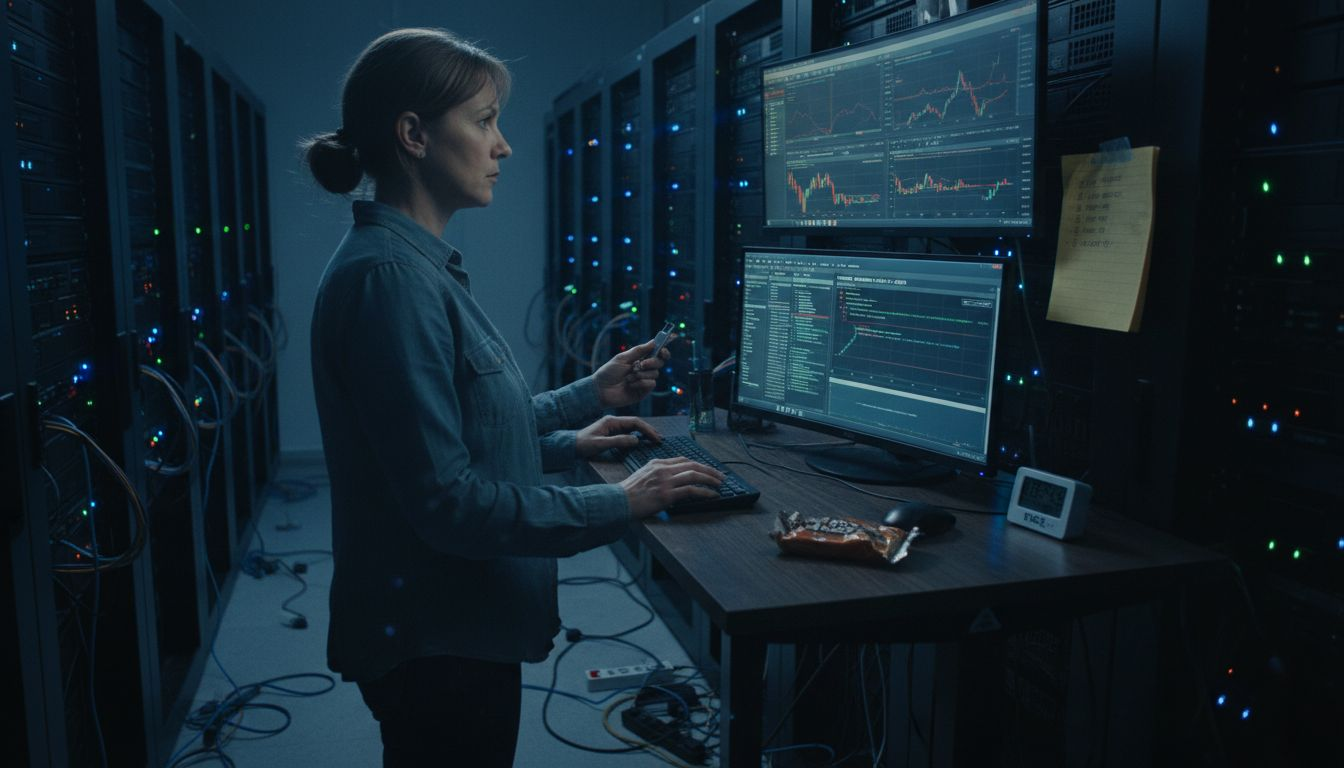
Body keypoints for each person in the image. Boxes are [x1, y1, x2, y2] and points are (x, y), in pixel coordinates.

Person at [302, 28, 725, 768]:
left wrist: (581, 410)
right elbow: (450, 504)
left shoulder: (415, 268)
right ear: (414, 134)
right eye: (484, 120)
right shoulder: (390, 283)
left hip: (451, 631)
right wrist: (623, 502)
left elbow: (461, 434)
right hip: (436, 643)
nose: (503, 146)